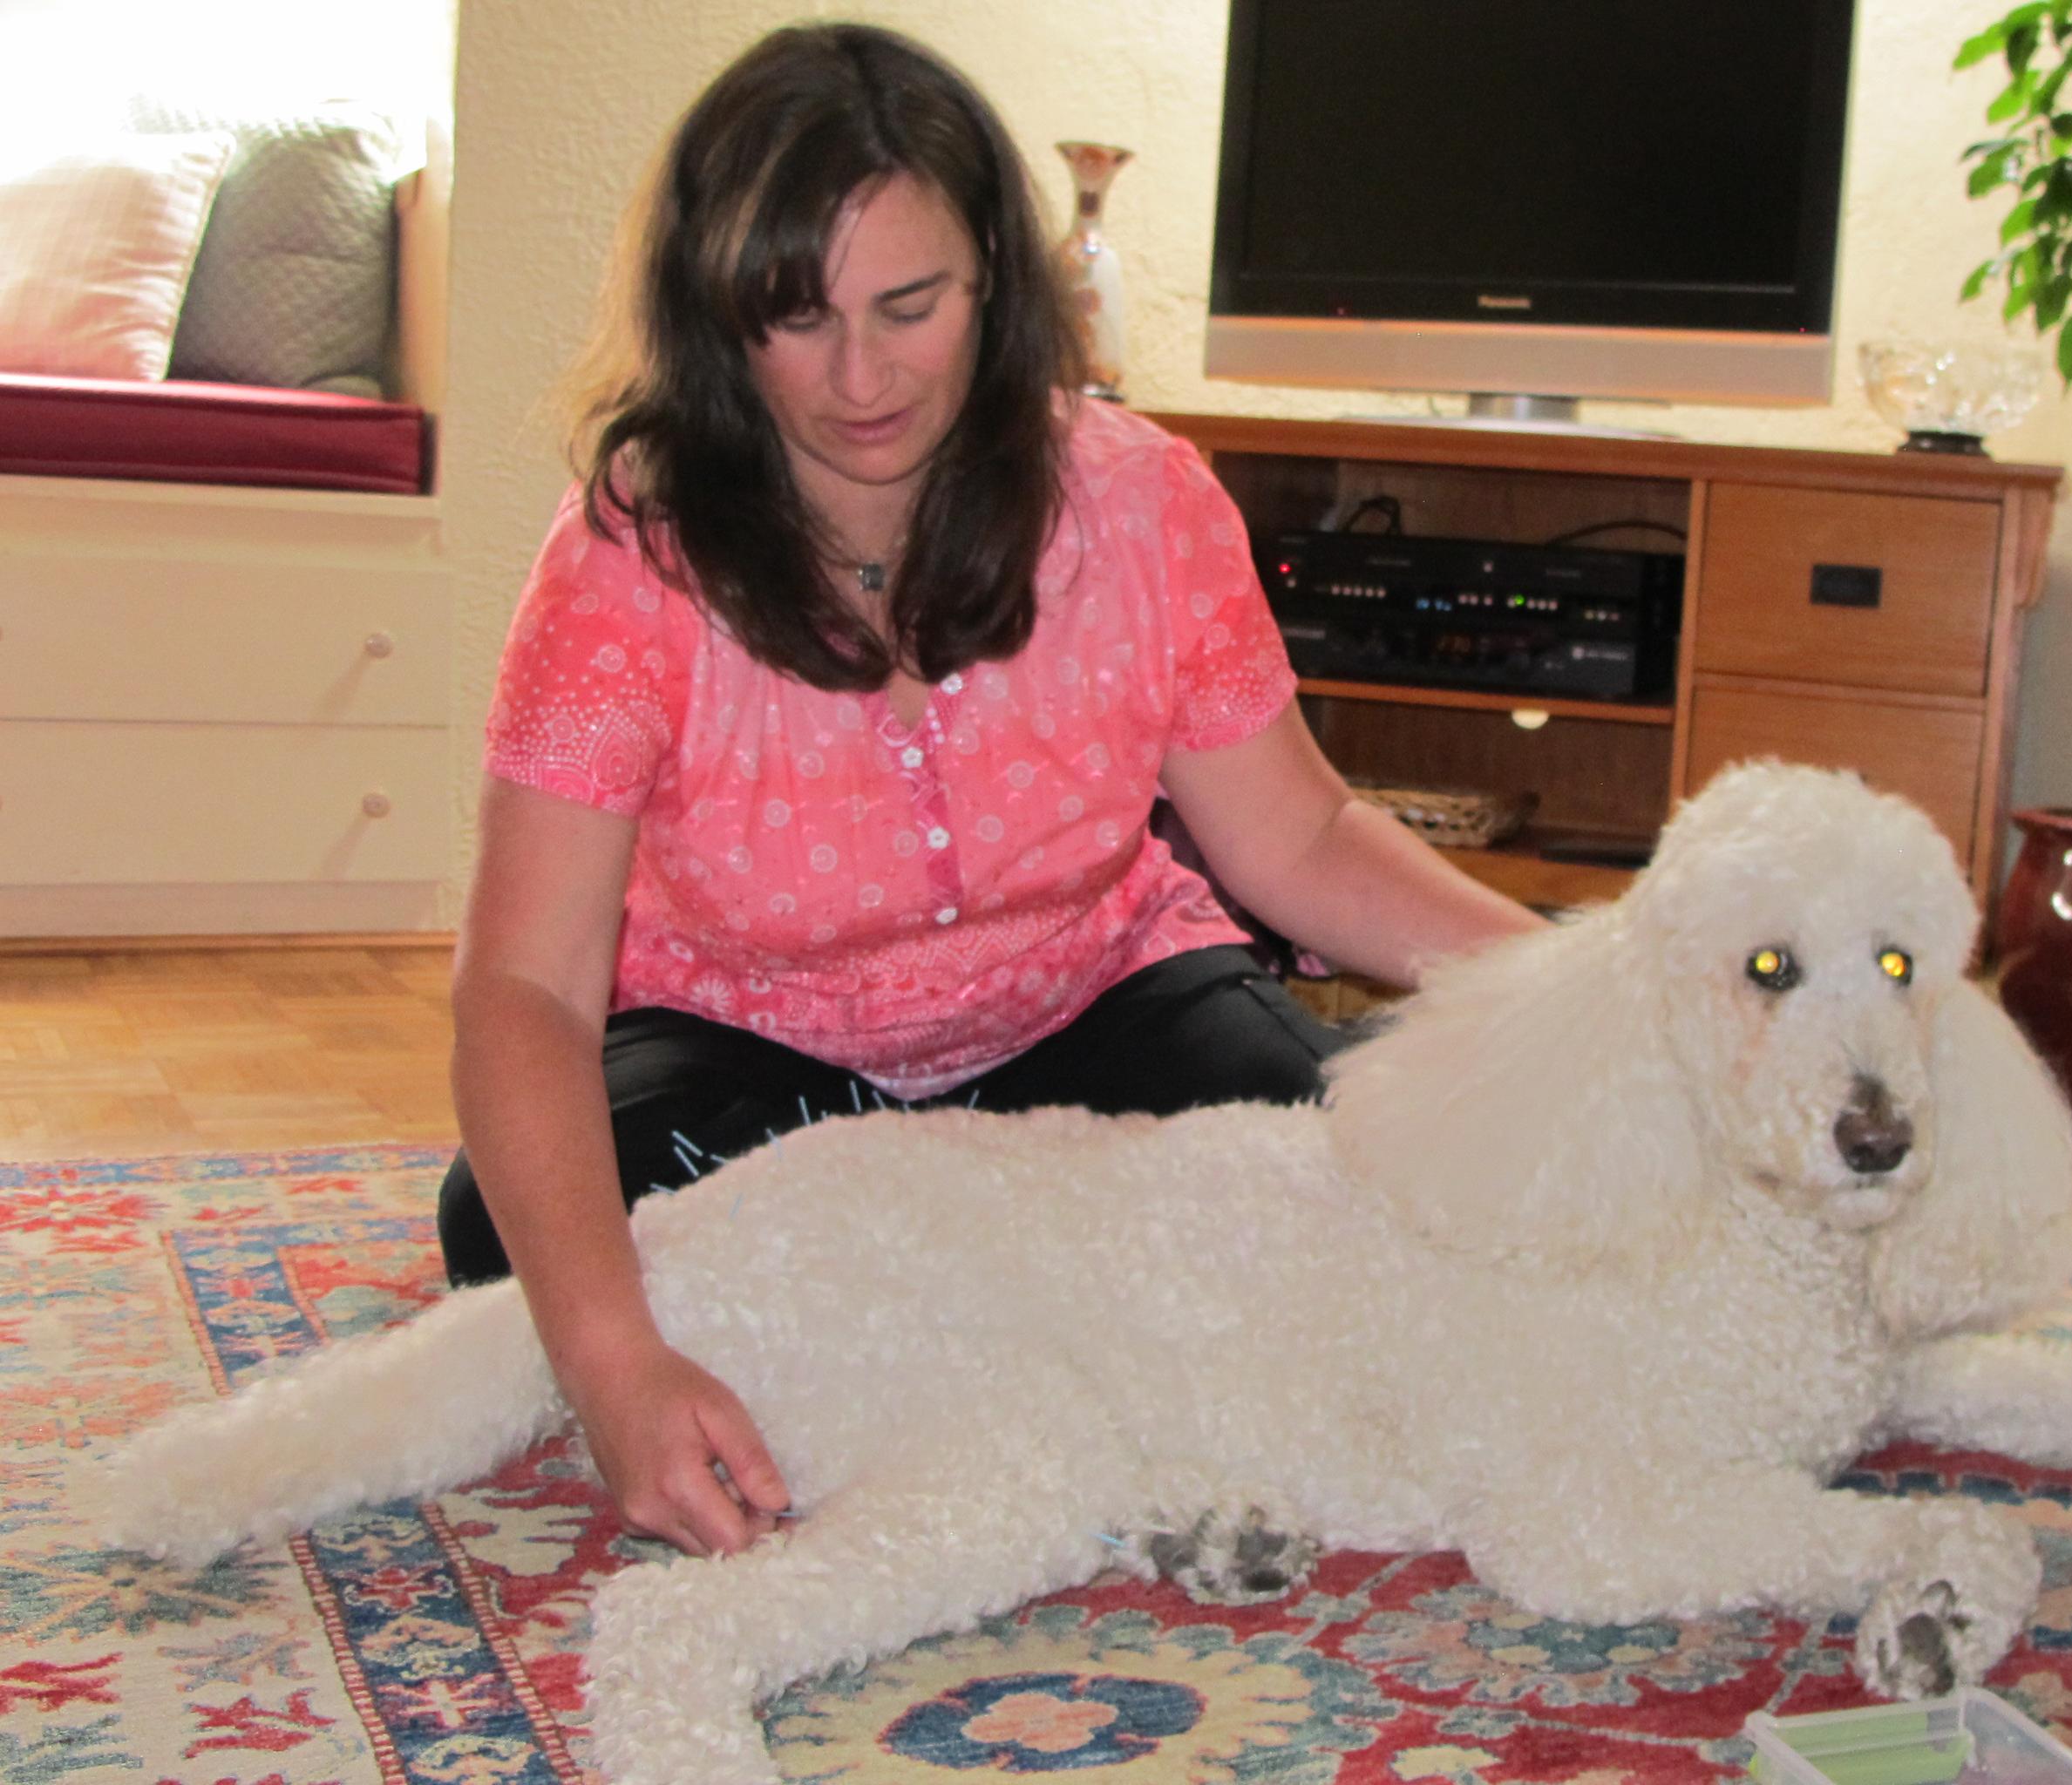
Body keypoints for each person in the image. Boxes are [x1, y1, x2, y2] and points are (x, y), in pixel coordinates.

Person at [443, 22, 1544, 1564]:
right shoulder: (629, 555)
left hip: (1089, 1005)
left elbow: (1295, 838)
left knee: (1338, 1183)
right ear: (714, 316)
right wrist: (614, 1366)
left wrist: (1574, 987)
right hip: (754, 1051)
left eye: (913, 305)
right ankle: (1049, 1344)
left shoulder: (1143, 502)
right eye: (795, 317)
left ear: (994, 287)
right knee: (515, 1242)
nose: (861, 376)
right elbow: (524, 988)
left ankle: (992, 1345)